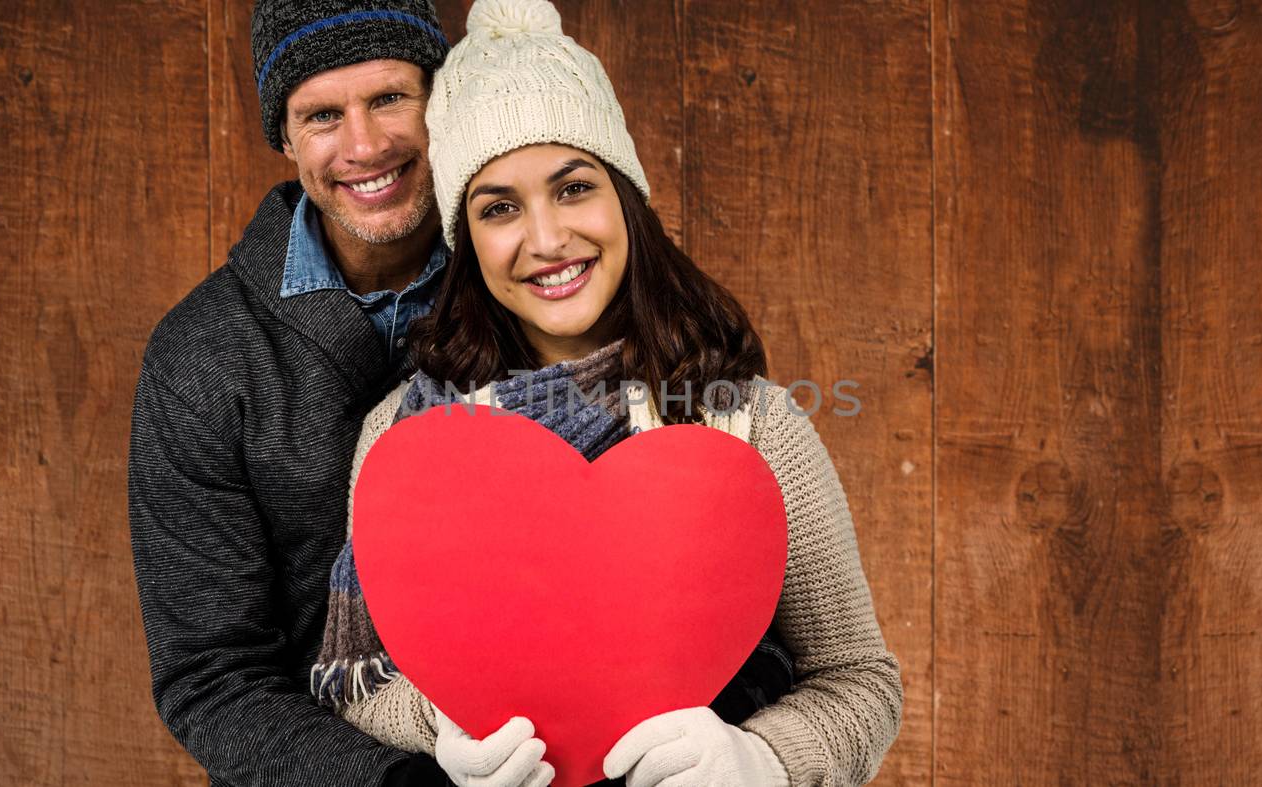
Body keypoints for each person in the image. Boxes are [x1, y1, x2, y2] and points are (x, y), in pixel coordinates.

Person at [127, 1, 793, 784]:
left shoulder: (551, 283)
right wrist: (407, 779)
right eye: (321, 115)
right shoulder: (202, 359)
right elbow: (210, 677)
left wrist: (752, 734)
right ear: (283, 135)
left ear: (443, 99)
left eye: (388, 98)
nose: (365, 145)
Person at [314, 1, 904, 786]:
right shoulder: (409, 437)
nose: (548, 238)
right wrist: (438, 723)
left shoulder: (751, 423)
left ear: (626, 198)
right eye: (498, 207)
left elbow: (860, 679)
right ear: (467, 241)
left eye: (574, 187)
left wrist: (762, 758)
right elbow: (360, 685)